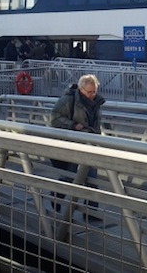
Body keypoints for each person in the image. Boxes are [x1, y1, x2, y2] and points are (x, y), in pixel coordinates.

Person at [50, 74, 105, 219]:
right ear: (81, 89)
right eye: (89, 92)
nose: (92, 95)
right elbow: (55, 118)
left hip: (89, 144)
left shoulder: (96, 102)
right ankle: (56, 195)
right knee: (71, 176)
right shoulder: (69, 100)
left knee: (92, 179)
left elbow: (96, 124)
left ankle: (91, 212)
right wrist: (73, 125)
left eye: (94, 91)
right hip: (73, 145)